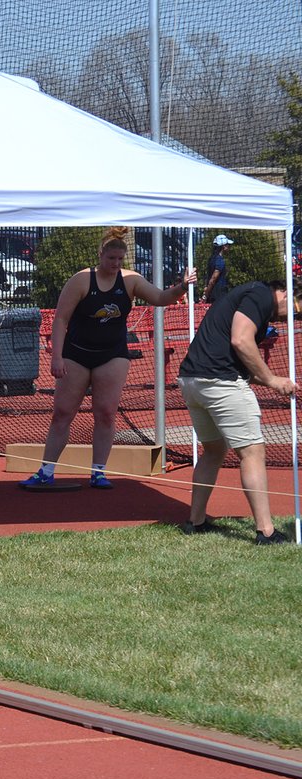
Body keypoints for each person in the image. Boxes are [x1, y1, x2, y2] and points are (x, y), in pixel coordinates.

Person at [20, 226, 196, 489]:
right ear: (100, 255)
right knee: (63, 413)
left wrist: (182, 287)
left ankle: (98, 472)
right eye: (110, 258)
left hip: (112, 355)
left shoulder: (131, 280)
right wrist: (56, 357)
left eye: (119, 260)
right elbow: (60, 319)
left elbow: (160, 298)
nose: (114, 264)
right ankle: (46, 472)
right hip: (77, 354)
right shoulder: (81, 280)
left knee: (105, 413)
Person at [178, 279, 296, 545]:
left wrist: (271, 379)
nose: (292, 315)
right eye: (296, 307)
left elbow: (236, 357)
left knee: (214, 451)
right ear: (285, 292)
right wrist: (272, 380)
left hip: (192, 381)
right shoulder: (261, 295)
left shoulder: (249, 298)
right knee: (252, 452)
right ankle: (266, 532)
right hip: (218, 382)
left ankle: (195, 522)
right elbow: (241, 340)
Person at [204, 234, 235, 304]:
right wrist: (205, 295)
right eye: (227, 245)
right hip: (218, 295)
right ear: (224, 246)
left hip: (212, 294)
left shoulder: (211, 259)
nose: (229, 247)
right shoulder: (220, 261)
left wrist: (206, 290)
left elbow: (208, 277)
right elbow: (213, 279)